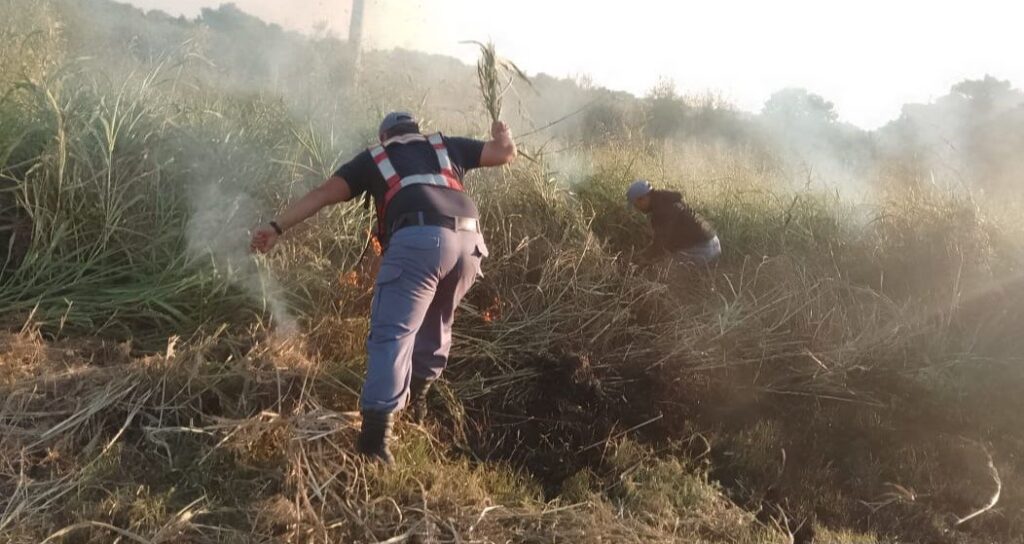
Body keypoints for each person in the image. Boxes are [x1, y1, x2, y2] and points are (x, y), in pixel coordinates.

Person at [250, 112, 517, 464]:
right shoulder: (444, 145)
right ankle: (417, 403)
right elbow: (503, 154)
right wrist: (504, 134)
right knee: (437, 325)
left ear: (384, 135)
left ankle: (375, 443)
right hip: (470, 244)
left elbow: (323, 194)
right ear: (414, 131)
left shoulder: (375, 157)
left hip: (420, 241)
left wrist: (277, 226)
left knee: (393, 335)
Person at [626, 179, 721, 265]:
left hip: (705, 249)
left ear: (642, 199)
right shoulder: (665, 201)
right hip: (714, 243)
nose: (636, 208)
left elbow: (660, 244)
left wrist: (640, 260)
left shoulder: (661, 210)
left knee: (664, 267)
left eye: (635, 205)